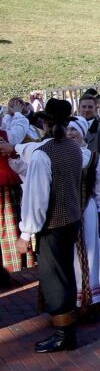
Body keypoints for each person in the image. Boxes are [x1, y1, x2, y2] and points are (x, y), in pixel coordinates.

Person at [10, 99, 82, 352]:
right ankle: (67, 329)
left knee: (54, 278)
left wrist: (25, 233)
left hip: (52, 225)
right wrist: (14, 152)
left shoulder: (44, 154)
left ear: (44, 122)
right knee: (66, 274)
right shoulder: (73, 147)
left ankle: (64, 334)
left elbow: (37, 198)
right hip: (71, 219)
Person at [66, 117, 100, 322]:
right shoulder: (60, 155)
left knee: (90, 253)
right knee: (69, 254)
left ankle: (90, 301)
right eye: (67, 130)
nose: (70, 133)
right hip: (65, 211)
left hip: (88, 211)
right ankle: (71, 301)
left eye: (74, 130)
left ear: (82, 133)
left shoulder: (93, 157)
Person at [0, 106, 32, 287]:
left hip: (6, 183)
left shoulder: (5, 133)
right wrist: (17, 113)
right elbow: (21, 127)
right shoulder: (5, 135)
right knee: (7, 228)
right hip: (5, 184)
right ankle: (9, 265)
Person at [78, 94, 100, 181]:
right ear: (79, 108)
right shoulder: (72, 128)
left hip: (94, 177)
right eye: (84, 107)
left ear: (96, 109)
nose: (86, 110)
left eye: (90, 107)